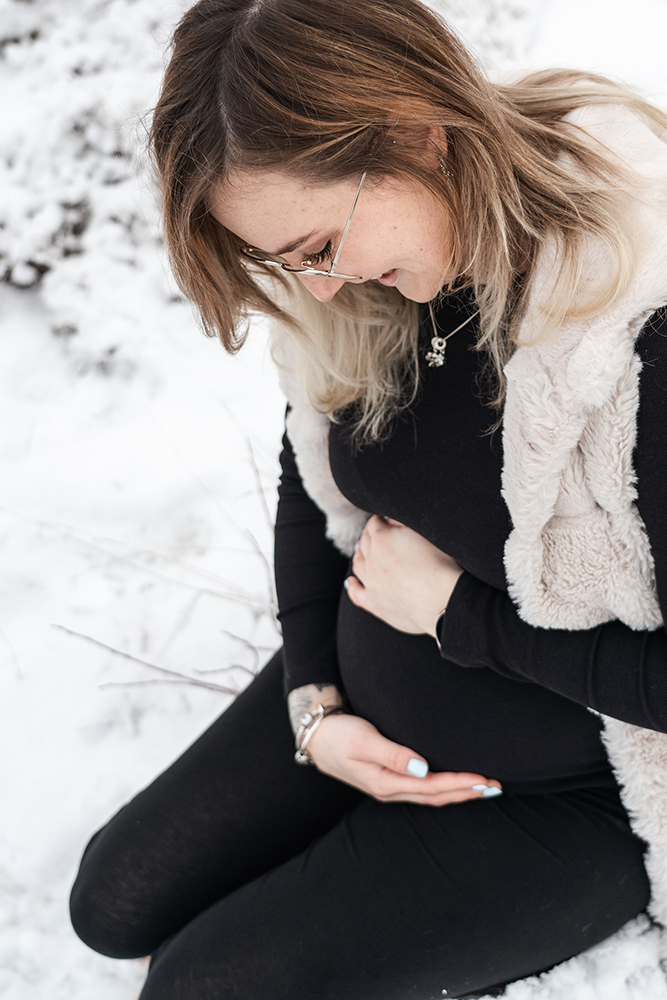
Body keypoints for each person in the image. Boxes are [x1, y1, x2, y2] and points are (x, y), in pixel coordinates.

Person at [69, 1, 667, 997]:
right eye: (286, 261)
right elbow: (310, 480)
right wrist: (316, 703)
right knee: (110, 902)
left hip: (569, 794)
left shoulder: (634, 332)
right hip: (363, 697)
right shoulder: (383, 274)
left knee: (192, 987)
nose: (321, 289)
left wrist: (458, 617)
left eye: (317, 244)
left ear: (414, 130)